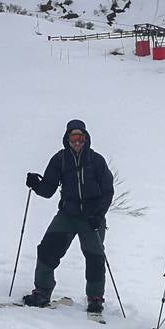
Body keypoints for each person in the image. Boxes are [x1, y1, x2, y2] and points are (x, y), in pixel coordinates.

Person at [22, 119, 114, 313]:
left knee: (95, 257)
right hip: (67, 214)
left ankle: (95, 298)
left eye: (81, 137)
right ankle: (42, 291)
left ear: (86, 139)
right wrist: (35, 184)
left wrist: (99, 214)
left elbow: (107, 191)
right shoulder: (60, 159)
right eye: (74, 137)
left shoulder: (96, 160)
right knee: (47, 250)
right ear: (67, 138)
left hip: (91, 218)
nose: (77, 142)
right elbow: (48, 189)